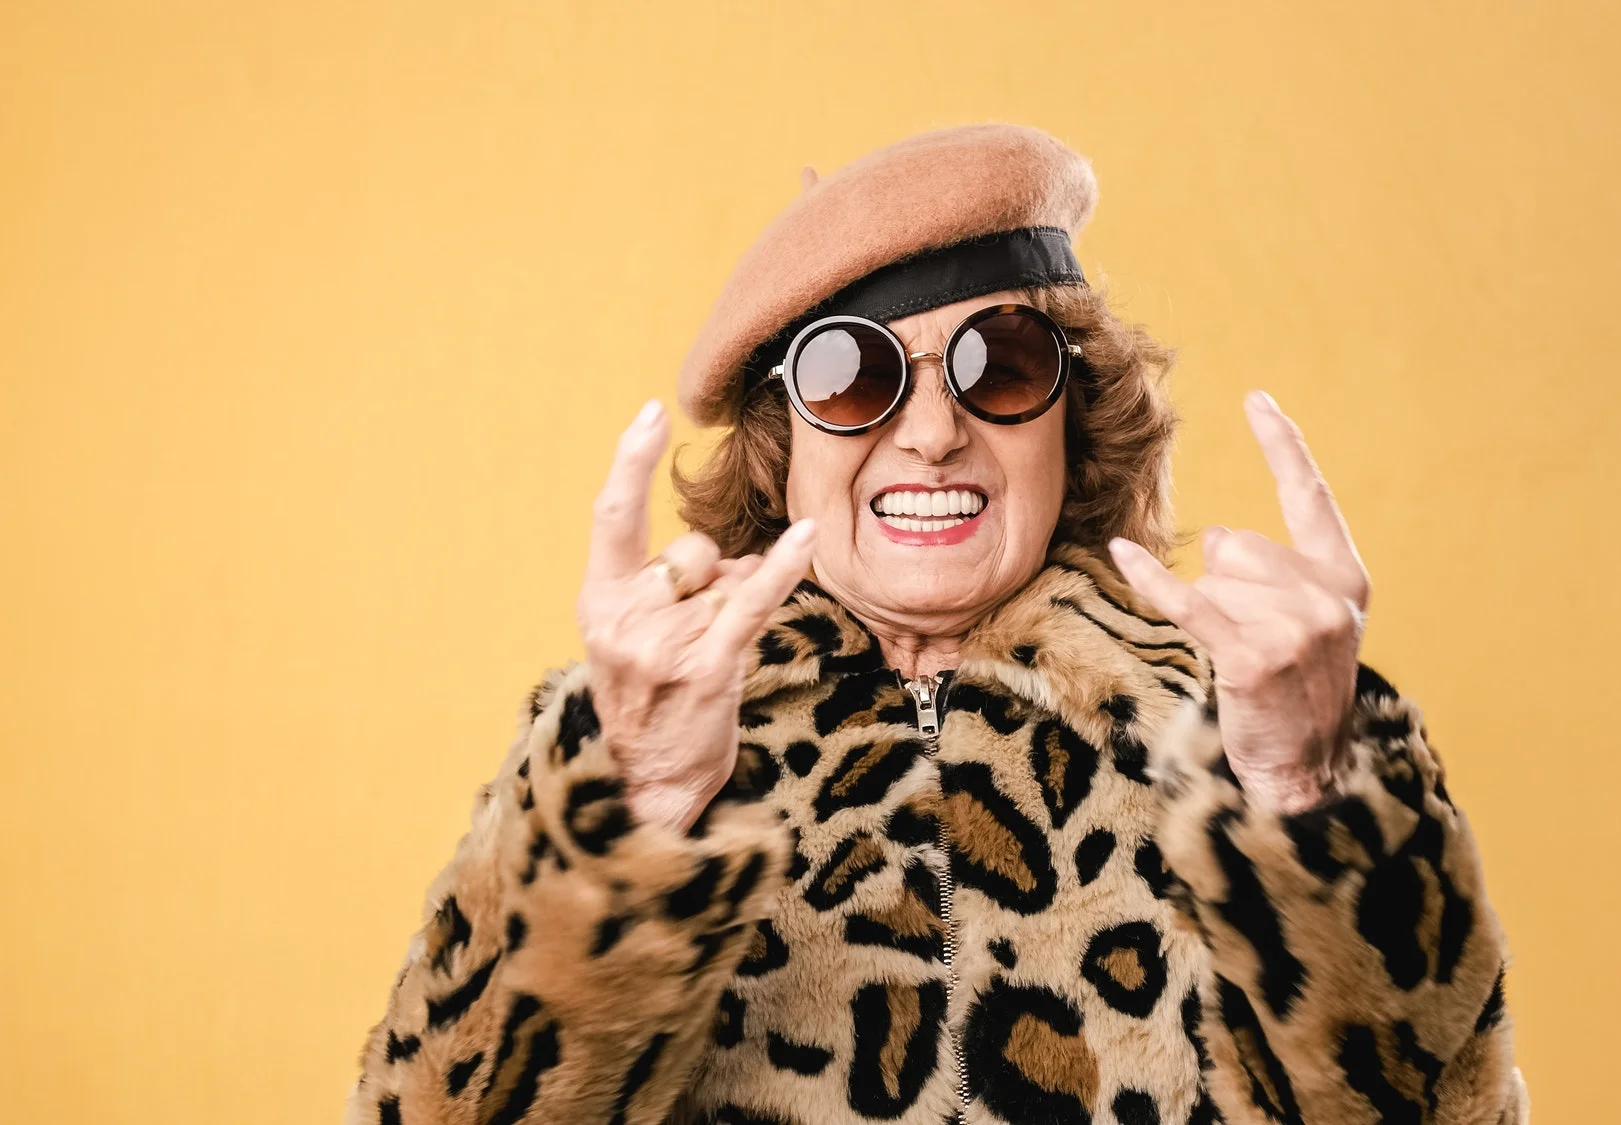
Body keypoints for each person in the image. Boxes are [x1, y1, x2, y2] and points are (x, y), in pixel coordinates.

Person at [345, 123, 1528, 1125]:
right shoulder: (628, 733)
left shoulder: (1235, 722)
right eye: (856, 378)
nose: (928, 434)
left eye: (999, 365)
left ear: (1072, 418)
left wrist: (1306, 791)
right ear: (780, 446)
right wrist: (640, 809)